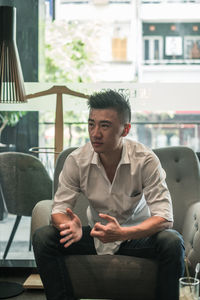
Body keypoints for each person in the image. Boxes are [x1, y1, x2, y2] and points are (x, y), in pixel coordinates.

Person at [33, 89, 185, 300]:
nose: (95, 133)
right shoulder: (77, 160)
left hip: (136, 238)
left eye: (104, 126)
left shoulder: (145, 160)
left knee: (172, 241)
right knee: (43, 238)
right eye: (91, 124)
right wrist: (68, 227)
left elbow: (164, 218)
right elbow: (58, 209)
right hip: (97, 235)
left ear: (125, 129)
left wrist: (123, 233)